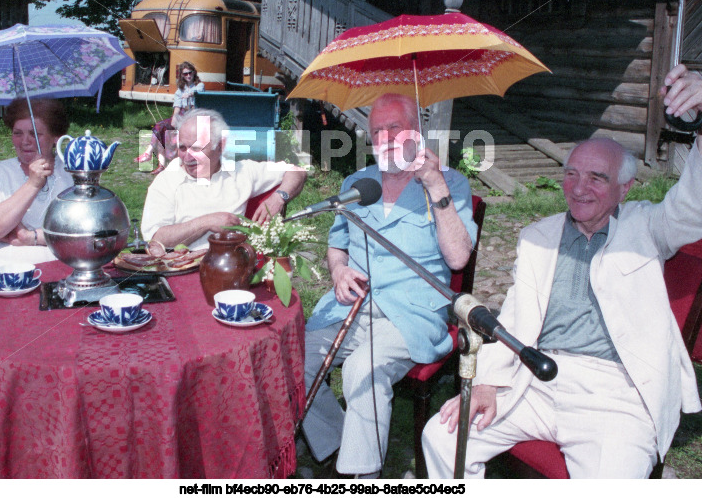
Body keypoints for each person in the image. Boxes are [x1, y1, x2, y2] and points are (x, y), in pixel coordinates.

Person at [422, 65, 702, 478]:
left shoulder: (648, 227)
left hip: (616, 397)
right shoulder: (539, 235)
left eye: (596, 178)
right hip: (536, 379)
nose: (578, 187)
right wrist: (486, 382)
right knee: (442, 438)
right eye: (571, 174)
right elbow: (514, 316)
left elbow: (701, 205)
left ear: (625, 189)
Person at [301, 93, 477, 478]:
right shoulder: (356, 183)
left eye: (394, 127)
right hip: (350, 305)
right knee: (292, 359)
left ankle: (359, 478)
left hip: (411, 312)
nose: (384, 137)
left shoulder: (450, 183)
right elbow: (337, 246)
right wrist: (338, 272)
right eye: (376, 130)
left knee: (362, 369)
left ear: (417, 130)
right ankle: (336, 443)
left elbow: (459, 258)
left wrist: (436, 188)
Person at [140, 107, 306, 250]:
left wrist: (279, 197)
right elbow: (155, 238)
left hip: (234, 264)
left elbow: (297, 171)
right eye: (182, 148)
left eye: (197, 148)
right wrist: (206, 223)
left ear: (220, 147)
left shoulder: (241, 171)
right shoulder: (167, 180)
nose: (187, 157)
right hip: (180, 267)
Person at [0, 98, 72, 283]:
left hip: (62, 267)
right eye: (18, 133)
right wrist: (32, 185)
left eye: (35, 134)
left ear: (56, 137)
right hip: (2, 270)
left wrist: (31, 237)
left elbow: (87, 234)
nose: (25, 141)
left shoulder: (73, 174)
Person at [136, 61, 204, 174]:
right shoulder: (179, 90)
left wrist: (190, 94)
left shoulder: (199, 85)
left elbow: (198, 91)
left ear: (194, 73)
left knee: (175, 132)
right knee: (159, 127)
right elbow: (177, 107)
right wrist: (174, 118)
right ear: (182, 76)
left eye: (190, 73)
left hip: (193, 116)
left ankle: (155, 158)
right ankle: (152, 156)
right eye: (185, 74)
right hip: (182, 115)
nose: (188, 76)